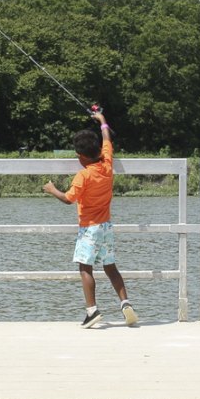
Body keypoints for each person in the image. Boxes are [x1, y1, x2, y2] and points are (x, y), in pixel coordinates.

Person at [43, 107, 138, 328]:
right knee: (110, 266)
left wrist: (51, 189)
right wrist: (102, 118)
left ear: (80, 156)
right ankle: (126, 304)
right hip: (106, 226)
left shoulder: (83, 175)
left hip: (89, 228)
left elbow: (68, 199)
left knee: (85, 267)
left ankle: (92, 310)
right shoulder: (107, 164)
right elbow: (106, 137)